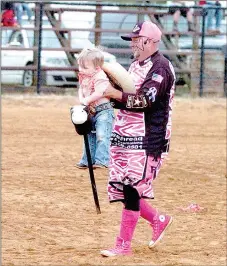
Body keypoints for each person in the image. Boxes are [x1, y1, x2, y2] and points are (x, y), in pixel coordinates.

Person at [100, 21, 176, 257]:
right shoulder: (135, 65)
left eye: (136, 39)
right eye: (131, 39)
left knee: (132, 187)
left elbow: (145, 102)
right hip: (124, 135)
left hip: (147, 136)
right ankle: (157, 219)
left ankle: (123, 245)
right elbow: (124, 99)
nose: (132, 43)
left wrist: (115, 94)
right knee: (125, 188)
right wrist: (105, 96)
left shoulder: (161, 68)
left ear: (150, 41)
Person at [75, 47, 114, 170]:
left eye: (85, 67)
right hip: (91, 110)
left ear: (97, 68)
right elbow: (81, 89)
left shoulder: (100, 76)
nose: (81, 70)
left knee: (102, 135)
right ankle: (87, 160)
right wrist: (82, 100)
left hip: (104, 111)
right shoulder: (85, 76)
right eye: (80, 66)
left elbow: (99, 93)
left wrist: (86, 100)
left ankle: (102, 160)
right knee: (89, 134)